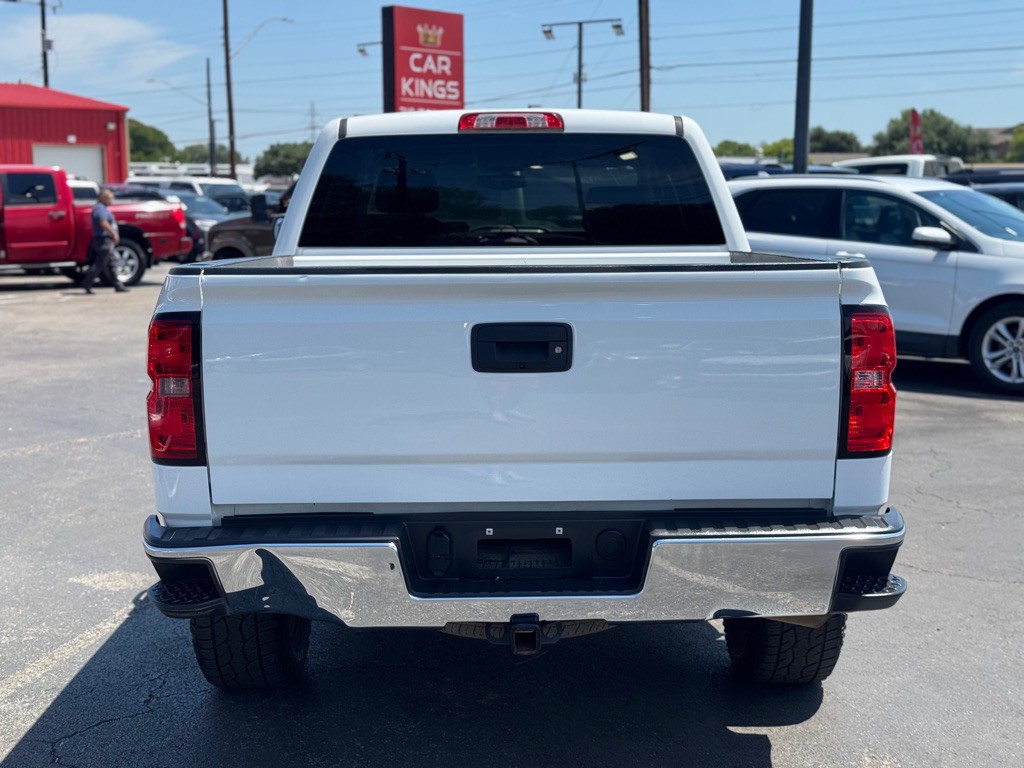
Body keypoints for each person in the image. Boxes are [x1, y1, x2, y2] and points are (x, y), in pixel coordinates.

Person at [82, 188, 128, 294]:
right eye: (109, 198)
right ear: (102, 198)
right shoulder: (100, 208)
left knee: (111, 263)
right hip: (104, 240)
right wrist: (113, 233)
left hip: (106, 239)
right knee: (100, 263)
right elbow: (103, 222)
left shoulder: (102, 208)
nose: (111, 201)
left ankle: (118, 285)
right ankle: (87, 282)